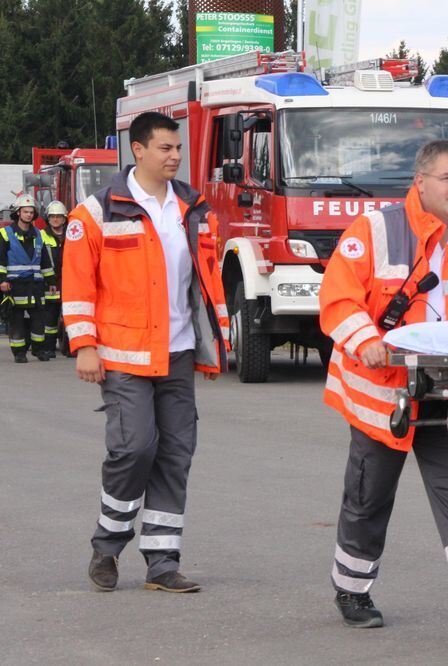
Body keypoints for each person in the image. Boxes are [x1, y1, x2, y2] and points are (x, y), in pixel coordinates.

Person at [318, 139, 448, 630]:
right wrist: (367, 340)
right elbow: (338, 298)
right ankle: (352, 590)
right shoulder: (375, 228)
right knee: (368, 496)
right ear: (420, 182)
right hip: (384, 389)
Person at [62, 111, 230, 593]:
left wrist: (212, 344)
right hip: (123, 354)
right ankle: (107, 544)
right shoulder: (96, 213)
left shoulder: (192, 208)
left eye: (177, 148)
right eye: (164, 148)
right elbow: (78, 285)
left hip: (177, 353)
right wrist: (85, 345)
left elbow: (205, 280)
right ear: (138, 150)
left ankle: (162, 561)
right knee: (134, 448)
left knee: (176, 454)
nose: (174, 156)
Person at [0, 194, 56, 362]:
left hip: (36, 285)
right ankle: (19, 353)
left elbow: (45, 260)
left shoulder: (38, 234)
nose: (29, 215)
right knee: (16, 319)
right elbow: (0, 258)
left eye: (31, 212)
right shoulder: (5, 234)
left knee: (39, 319)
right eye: (25, 212)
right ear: (18, 212)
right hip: (14, 285)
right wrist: (2, 280)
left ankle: (38, 350)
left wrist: (51, 281)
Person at [40, 201, 68, 357]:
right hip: (50, 283)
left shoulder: (72, 234)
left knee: (70, 316)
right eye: (52, 217)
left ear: (64, 219)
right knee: (50, 317)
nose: (56, 220)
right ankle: (49, 348)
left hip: (69, 282)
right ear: (48, 219)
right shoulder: (41, 235)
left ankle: (71, 348)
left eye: (59, 217)